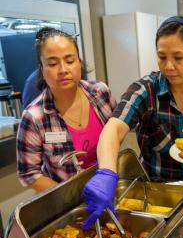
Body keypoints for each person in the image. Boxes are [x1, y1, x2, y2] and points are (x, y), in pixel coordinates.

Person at [83, 16, 183, 234]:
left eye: (178, 57)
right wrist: (106, 172)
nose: (169, 66)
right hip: (160, 200)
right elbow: (113, 129)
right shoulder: (146, 90)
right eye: (162, 57)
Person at [17, 27, 116, 192]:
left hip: (110, 185)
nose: (63, 70)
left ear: (79, 62)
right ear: (42, 69)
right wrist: (72, 195)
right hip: (70, 202)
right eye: (53, 63)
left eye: (70, 61)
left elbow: (116, 135)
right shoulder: (34, 117)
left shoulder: (100, 92)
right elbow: (28, 174)